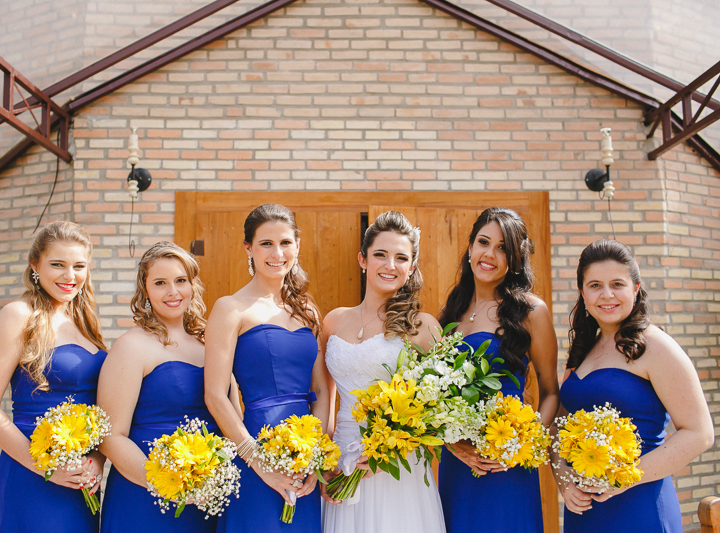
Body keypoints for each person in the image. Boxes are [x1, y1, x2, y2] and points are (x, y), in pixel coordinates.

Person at [555, 239, 713, 532]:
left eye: (617, 284)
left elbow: (699, 433)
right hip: (585, 511)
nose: (607, 294)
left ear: (636, 289)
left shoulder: (657, 347)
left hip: (640, 506)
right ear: (582, 293)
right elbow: (560, 425)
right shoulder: (582, 349)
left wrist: (623, 478)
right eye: (595, 285)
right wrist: (564, 480)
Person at [0, 221, 106, 533]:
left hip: (80, 479)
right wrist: (47, 468)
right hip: (31, 473)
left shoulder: (85, 321)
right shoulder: (19, 315)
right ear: (35, 265)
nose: (70, 276)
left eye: (79, 266)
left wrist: (97, 460)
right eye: (57, 264)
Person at [205, 203, 332, 533]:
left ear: (297, 246)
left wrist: (314, 456)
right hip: (254, 449)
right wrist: (258, 461)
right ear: (248, 248)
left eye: (285, 243)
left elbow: (320, 390)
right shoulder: (230, 309)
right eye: (266, 244)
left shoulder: (307, 311)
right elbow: (215, 395)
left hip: (304, 458)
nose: (277, 253)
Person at [320, 210, 446, 533]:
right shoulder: (333, 321)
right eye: (380, 254)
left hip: (396, 467)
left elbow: (440, 409)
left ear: (412, 267)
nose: (390, 265)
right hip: (342, 461)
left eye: (401, 258)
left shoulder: (422, 327)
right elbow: (324, 398)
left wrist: (388, 452)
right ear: (362, 259)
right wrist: (324, 459)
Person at [436, 207, 559, 533]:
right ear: (470, 248)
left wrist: (521, 445)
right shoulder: (450, 312)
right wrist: (454, 446)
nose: (490, 254)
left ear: (516, 259)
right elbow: (436, 398)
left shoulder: (531, 311)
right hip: (459, 464)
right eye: (483, 242)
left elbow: (550, 392)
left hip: (507, 463)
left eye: (503, 248)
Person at [98, 242, 229, 532]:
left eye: (180, 280)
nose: (173, 292)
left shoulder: (211, 342)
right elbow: (110, 437)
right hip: (147, 498)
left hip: (210, 498)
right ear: (145, 290)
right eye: (160, 283)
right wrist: (169, 485)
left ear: (192, 285)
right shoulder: (131, 346)